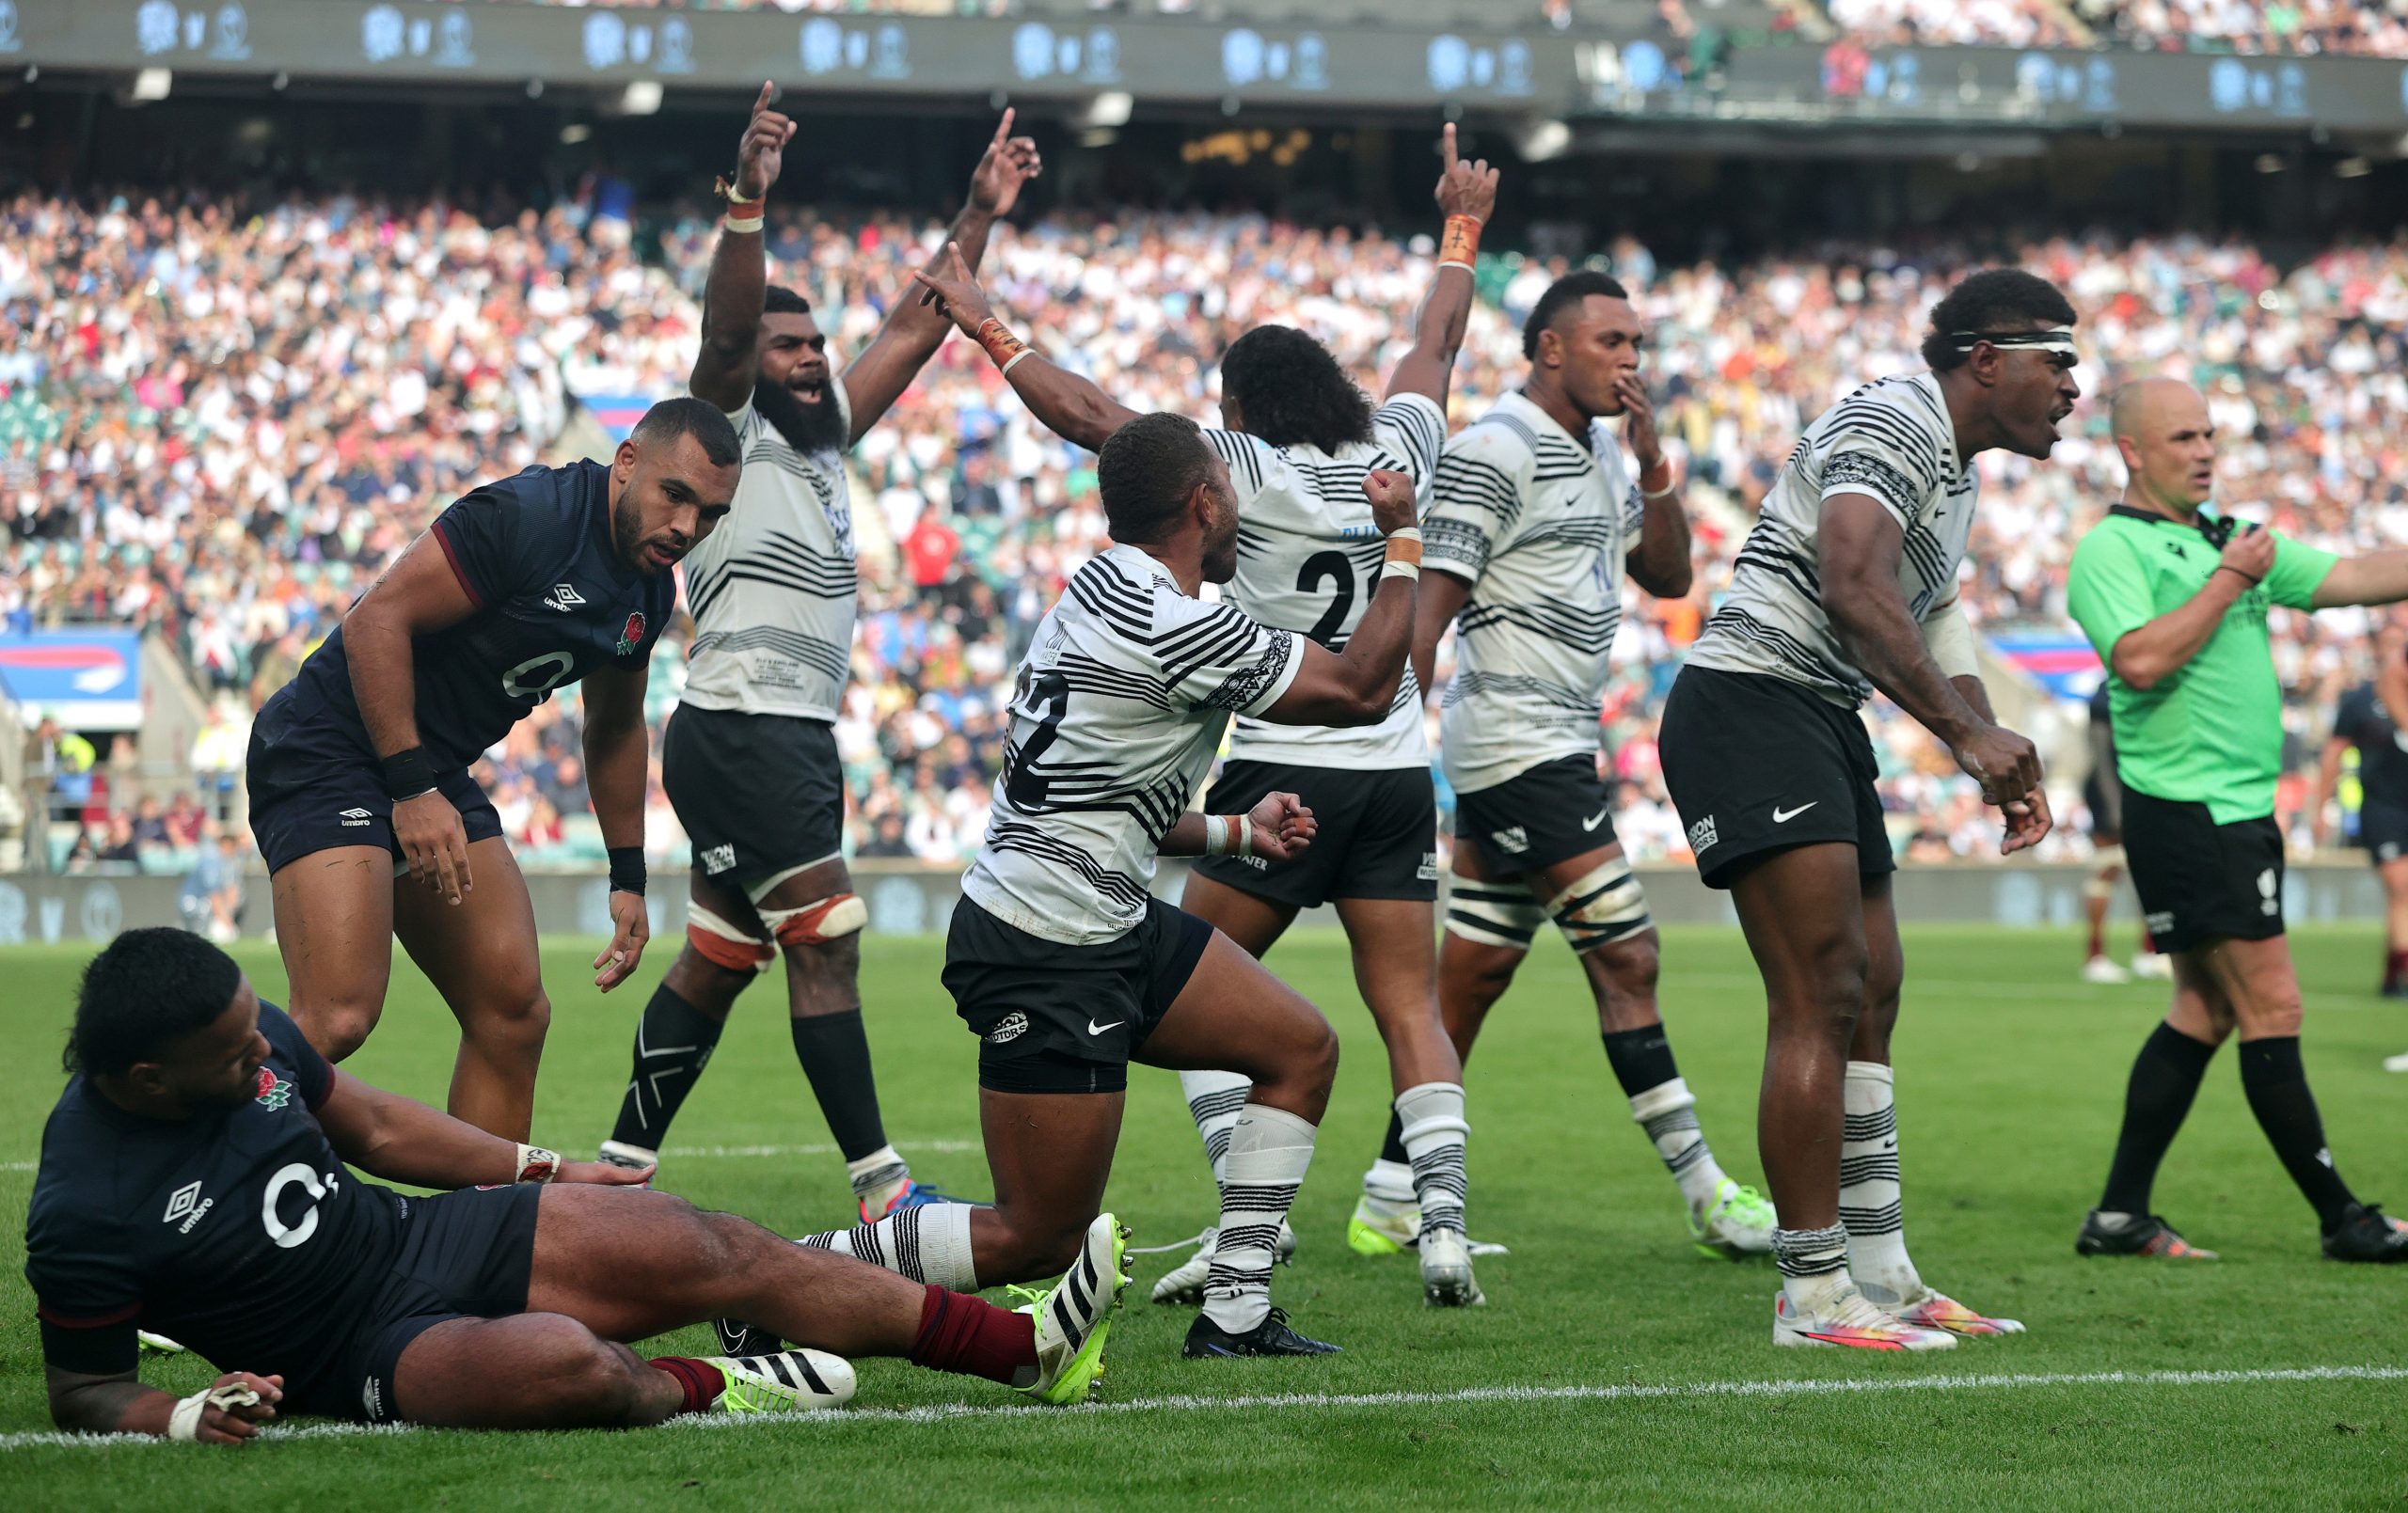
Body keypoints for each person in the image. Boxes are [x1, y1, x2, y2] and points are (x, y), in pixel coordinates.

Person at [918, 125, 1498, 1308]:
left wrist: (988, 324)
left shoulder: (1229, 476)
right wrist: (1459, 225)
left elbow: (1102, 426)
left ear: (1235, 418)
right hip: (1389, 761)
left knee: (1248, 1014)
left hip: (1276, 747)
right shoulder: (1399, 451)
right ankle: (1437, 1222)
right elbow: (1433, 343)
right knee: (1400, 1006)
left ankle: (1246, 1247)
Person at [781, 413, 1424, 1360]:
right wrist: (1404, 537)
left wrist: (1238, 830)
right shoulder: (1182, 624)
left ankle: (1237, 1314)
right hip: (1047, 942)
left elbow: (1103, 795)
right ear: (1204, 502)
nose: (1241, 509)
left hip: (1098, 916)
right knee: (1036, 1233)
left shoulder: (1093, 587)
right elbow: (1367, 686)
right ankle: (779, 1268)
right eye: (1230, 491)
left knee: (1299, 1048)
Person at [24, 929, 1123, 1443]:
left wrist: (543, 1166)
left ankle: (1024, 1351)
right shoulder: (82, 1206)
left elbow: (370, 1123)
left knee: (702, 1241)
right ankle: (723, 1382)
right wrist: (182, 1415)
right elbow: (83, 1391)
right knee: (573, 1371)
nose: (261, 1058)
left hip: (421, 1240)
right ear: (146, 1079)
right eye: (230, 1057)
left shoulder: (244, 1029)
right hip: (343, 1353)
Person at [598, 91, 1038, 1222]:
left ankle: (619, 1168)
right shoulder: (726, 437)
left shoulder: (825, 431)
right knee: (827, 937)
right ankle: (883, 1189)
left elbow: (919, 320)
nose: (807, 361)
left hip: (786, 734)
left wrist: (979, 212)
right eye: (788, 347)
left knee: (714, 960)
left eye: (814, 348)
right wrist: (747, 201)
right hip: (743, 727)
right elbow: (729, 335)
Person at [1659, 269, 2075, 1349]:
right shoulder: (1894, 414)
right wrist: (1963, 734)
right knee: (1820, 989)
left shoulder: (1956, 475)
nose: (2072, 389)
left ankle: (1878, 1267)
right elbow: (1850, 582)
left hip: (1811, 711)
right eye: (2059, 360)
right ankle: (1810, 1292)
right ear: (1986, 357)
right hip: (1751, 700)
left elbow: (1931, 625)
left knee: (1873, 986)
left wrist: (1995, 754)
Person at [1401, 267, 1775, 1271]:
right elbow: (1428, 610)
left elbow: (1667, 576)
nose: (1631, 362)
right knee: (1628, 953)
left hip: (1561, 739)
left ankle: (1392, 1193)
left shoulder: (1606, 452)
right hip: (1511, 746)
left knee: (1470, 974)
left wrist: (1654, 467)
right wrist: (1395, 743)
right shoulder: (1491, 449)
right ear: (1550, 348)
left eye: (1638, 345)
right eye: (1612, 342)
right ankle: (1704, 1191)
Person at [245, 398, 741, 1141]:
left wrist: (628, 874)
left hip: (429, 767)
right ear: (628, 462)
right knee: (339, 1014)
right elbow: (375, 620)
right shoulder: (531, 515)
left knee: (512, 1011)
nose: (686, 527)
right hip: (326, 746)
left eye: (709, 514)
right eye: (677, 495)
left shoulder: (646, 588)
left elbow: (611, 726)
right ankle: (181, 1175)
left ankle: (482, 1239)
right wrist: (412, 786)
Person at [2067, 377, 2408, 1263]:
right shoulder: (2112, 549)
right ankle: (2344, 1218)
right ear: (2134, 451)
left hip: (2235, 812)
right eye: (2183, 436)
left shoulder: (2233, 539)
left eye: (2210, 434)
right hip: (2189, 810)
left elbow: (2356, 578)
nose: (2206, 450)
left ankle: (2119, 1216)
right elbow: (2138, 661)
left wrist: (2235, 565)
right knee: (2273, 1003)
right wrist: (2229, 580)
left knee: (2202, 1009)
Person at [2311, 622, 2408, 1001]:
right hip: (2381, 806)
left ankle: (2390, 972)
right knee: (2401, 885)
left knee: (2404, 895)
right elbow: (2333, 754)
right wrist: (2320, 807)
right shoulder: (2360, 700)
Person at [2080, 682, 2170, 984]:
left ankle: (2149, 951)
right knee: (2108, 868)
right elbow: (2101, 751)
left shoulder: (2147, 682)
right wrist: (2113, 804)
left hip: (2141, 787)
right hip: (2114, 792)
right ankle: (2095, 956)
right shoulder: (2107, 693)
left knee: (2152, 871)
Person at [179, 825, 247, 943]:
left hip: (208, 903)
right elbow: (213, 894)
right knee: (201, 935)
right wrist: (226, 921)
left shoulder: (230, 863)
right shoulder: (211, 860)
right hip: (193, 901)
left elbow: (231, 890)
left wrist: (229, 916)